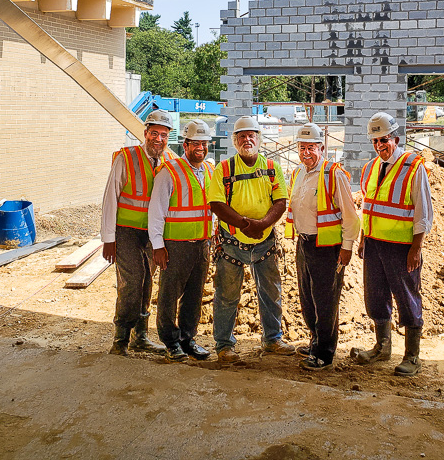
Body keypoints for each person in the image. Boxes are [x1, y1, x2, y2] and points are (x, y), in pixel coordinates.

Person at [351, 112, 434, 376]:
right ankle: (382, 347)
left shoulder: (413, 167)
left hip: (401, 247)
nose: (379, 146)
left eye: (384, 140)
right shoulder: (370, 168)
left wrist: (416, 249)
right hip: (375, 244)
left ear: (395, 139)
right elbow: (369, 206)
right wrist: (364, 238)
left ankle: (412, 356)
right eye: (375, 141)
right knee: (375, 295)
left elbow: (424, 212)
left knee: (407, 297)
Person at [207, 115, 294, 362]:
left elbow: (280, 201)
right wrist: (245, 225)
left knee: (271, 292)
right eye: (242, 136)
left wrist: (263, 224)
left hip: (264, 242)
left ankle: (273, 339)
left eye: (251, 135)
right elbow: (216, 203)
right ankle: (224, 345)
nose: (248, 140)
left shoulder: (271, 167)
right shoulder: (224, 169)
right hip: (232, 244)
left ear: (259, 139)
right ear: (235, 141)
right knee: (226, 295)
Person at [100, 109, 178, 356]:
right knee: (132, 281)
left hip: (151, 235)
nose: (158, 139)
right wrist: (108, 239)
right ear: (145, 134)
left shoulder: (168, 163)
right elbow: (110, 197)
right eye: (154, 133)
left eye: (163, 135)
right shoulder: (127, 157)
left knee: (146, 283)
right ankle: (120, 338)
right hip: (126, 232)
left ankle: (140, 337)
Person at [284, 123, 360, 371]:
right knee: (308, 298)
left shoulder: (332, 174)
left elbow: (350, 216)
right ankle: (315, 340)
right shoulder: (298, 174)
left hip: (327, 247)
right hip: (304, 243)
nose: (306, 153)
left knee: (325, 300)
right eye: (302, 147)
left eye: (311, 148)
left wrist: (347, 247)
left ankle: (324, 352)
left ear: (322, 148)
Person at [148, 119, 214, 362]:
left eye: (204, 143)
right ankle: (170, 341)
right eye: (195, 143)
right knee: (168, 295)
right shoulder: (169, 172)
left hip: (201, 244)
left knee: (194, 295)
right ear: (185, 145)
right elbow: (156, 211)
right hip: (175, 246)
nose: (200, 147)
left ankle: (188, 339)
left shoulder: (209, 170)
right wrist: (158, 245)